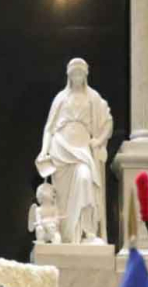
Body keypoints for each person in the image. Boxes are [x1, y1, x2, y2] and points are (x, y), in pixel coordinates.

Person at [35, 58, 112, 244]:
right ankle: (64, 235)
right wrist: (44, 151)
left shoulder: (93, 97)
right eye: (74, 73)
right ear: (69, 76)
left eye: (80, 73)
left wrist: (99, 140)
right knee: (62, 198)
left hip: (82, 151)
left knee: (85, 178)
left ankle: (87, 231)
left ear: (85, 75)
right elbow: (49, 128)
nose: (77, 77)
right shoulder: (61, 98)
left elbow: (107, 121)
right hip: (61, 149)